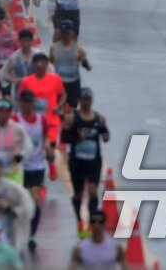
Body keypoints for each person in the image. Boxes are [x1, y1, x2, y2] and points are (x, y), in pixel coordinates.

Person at [62, 88, 110, 232]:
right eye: (83, 100)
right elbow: (64, 138)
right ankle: (79, 220)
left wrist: (105, 135)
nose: (86, 103)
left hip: (93, 162)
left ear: (92, 101)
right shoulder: (72, 118)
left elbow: (105, 134)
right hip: (77, 162)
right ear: (79, 101)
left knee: (93, 191)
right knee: (78, 193)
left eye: (88, 100)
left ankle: (91, 221)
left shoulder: (98, 118)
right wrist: (77, 138)